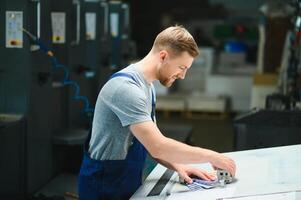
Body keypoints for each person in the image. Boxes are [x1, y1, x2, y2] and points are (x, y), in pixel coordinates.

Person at [78, 25, 236, 200]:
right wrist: (211, 156)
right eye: (182, 67)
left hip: (124, 182)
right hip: (103, 186)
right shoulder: (126, 89)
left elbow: (149, 143)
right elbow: (158, 146)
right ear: (163, 56)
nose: (182, 76)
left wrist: (179, 166)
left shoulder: (148, 87)